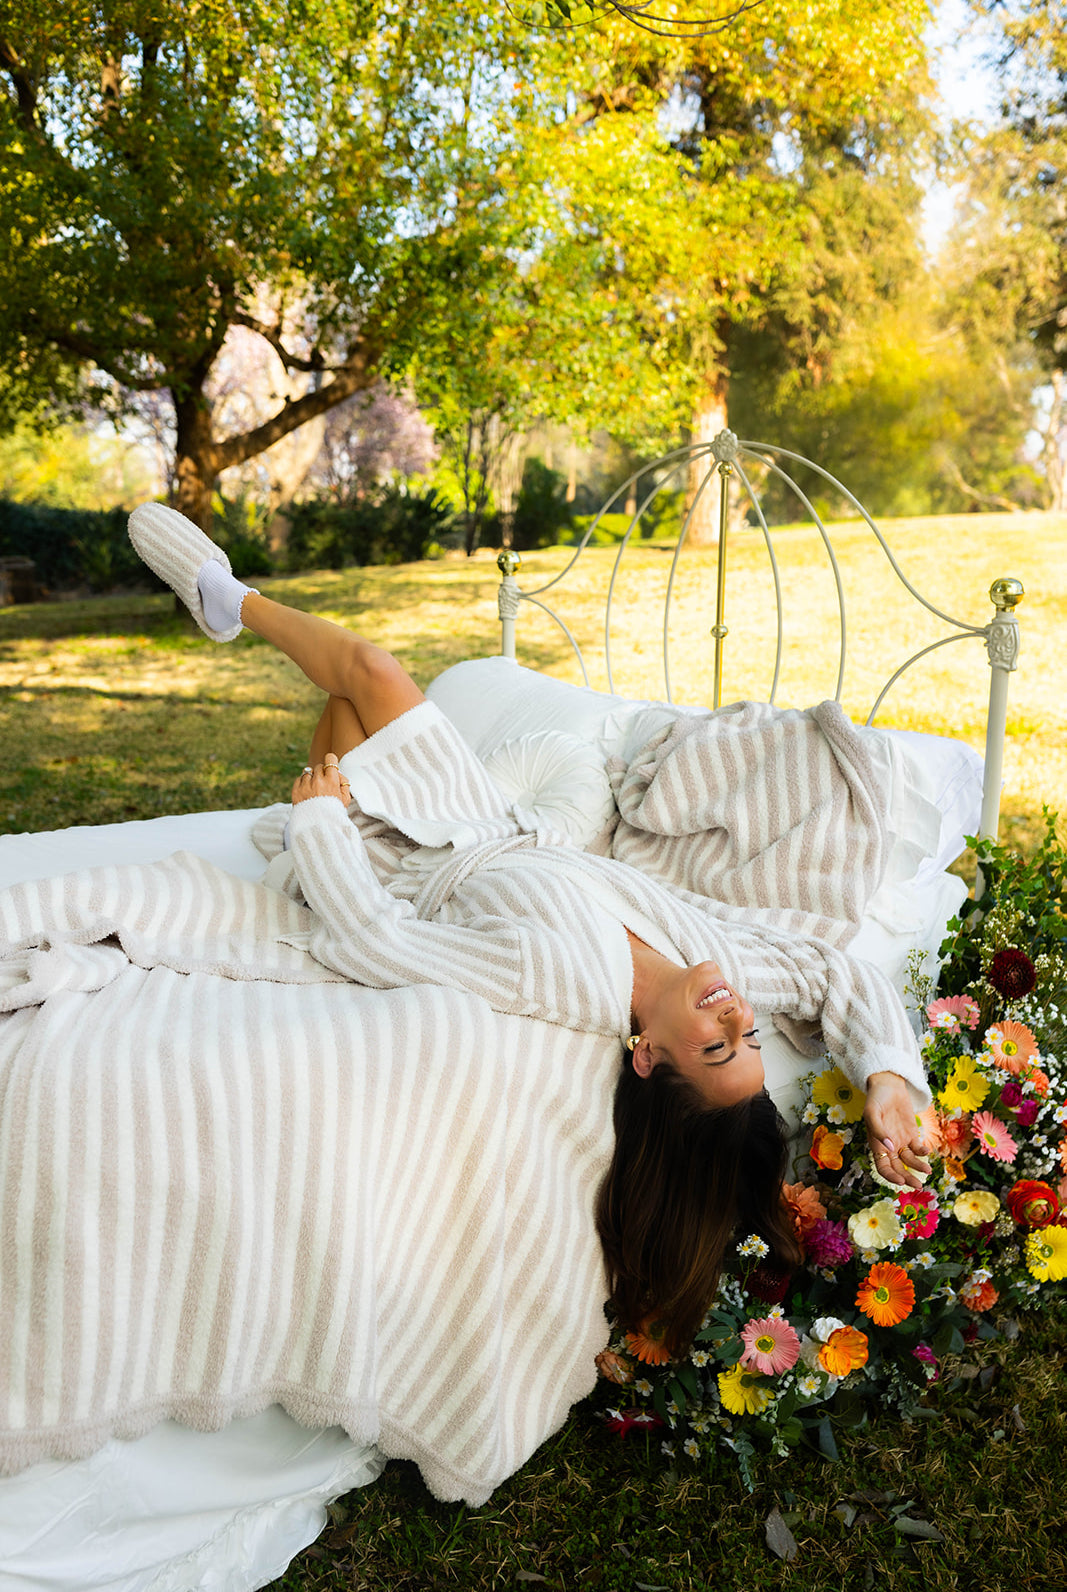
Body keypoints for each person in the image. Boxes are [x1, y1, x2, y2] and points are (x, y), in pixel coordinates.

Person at [128, 503, 932, 1358]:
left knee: (346, 697)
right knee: (363, 667)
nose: (736, 1017)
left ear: (647, 1057)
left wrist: (321, 826)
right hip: (483, 819)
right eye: (749, 1040)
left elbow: (377, 942)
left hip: (392, 862)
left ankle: (239, 630)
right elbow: (829, 974)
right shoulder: (722, 970)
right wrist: (888, 1077)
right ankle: (227, 599)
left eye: (715, 1046)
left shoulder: (559, 981)